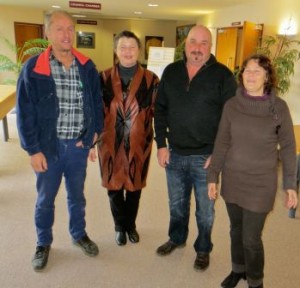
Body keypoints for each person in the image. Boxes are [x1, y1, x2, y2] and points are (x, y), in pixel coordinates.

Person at [16, 10, 103, 271]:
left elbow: (96, 103)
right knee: (45, 199)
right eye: (60, 29)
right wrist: (33, 150)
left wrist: (93, 134)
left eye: (70, 29)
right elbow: (25, 112)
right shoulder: (33, 68)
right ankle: (43, 243)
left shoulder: (87, 66)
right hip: (49, 149)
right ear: (48, 33)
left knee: (77, 196)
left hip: (77, 147)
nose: (66, 35)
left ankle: (79, 234)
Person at [207, 54, 298, 288]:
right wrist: (212, 176)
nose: (251, 75)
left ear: (267, 77)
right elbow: (222, 142)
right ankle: (238, 269)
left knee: (251, 238)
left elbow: (288, 147)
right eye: (247, 70)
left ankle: (256, 281)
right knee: (235, 229)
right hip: (233, 179)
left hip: (261, 183)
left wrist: (290, 184)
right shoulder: (232, 105)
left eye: (257, 71)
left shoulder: (278, 108)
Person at [154, 25, 237, 270]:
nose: (197, 48)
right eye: (193, 42)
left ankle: (203, 248)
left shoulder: (223, 75)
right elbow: (160, 109)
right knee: (176, 205)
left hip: (206, 158)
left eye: (203, 43)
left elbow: (230, 119)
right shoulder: (170, 71)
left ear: (210, 47)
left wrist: (218, 154)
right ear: (185, 44)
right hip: (175, 154)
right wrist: (161, 144)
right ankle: (177, 238)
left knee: (205, 212)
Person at [97, 30, 159, 246]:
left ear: (139, 50)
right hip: (110, 143)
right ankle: (119, 227)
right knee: (114, 188)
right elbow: (96, 111)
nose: (128, 51)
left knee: (134, 187)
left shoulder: (151, 80)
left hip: (138, 143)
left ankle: (130, 225)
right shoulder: (103, 77)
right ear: (115, 50)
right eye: (123, 47)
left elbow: (158, 112)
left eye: (132, 47)